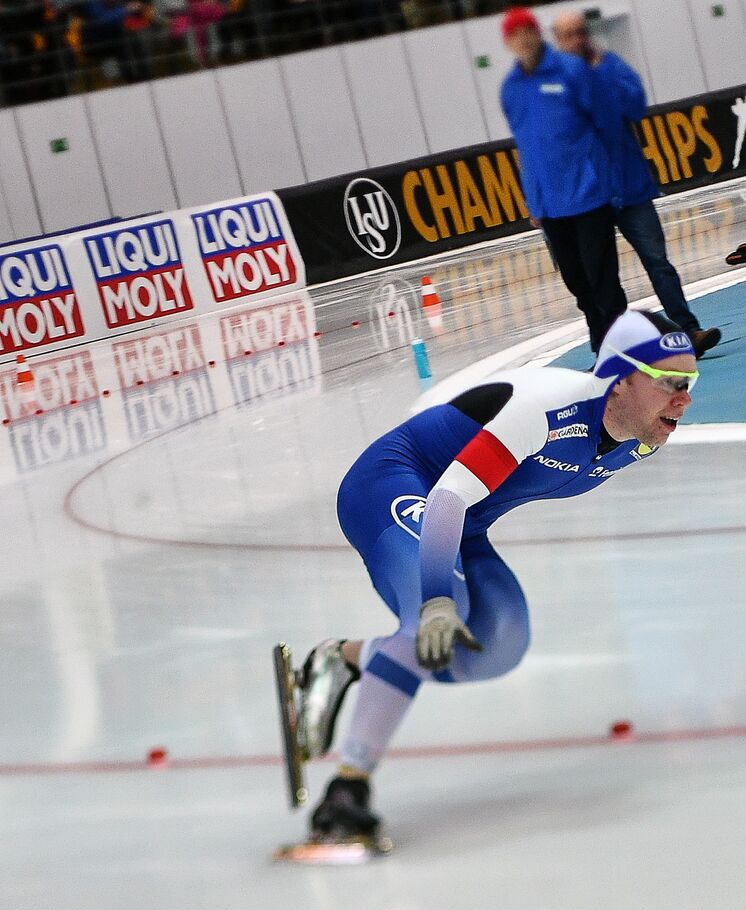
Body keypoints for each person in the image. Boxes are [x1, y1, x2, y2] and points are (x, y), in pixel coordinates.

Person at [292, 311, 699, 837]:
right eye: (669, 383)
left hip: (463, 518)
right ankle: (346, 789)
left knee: (498, 642)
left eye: (690, 383)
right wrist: (435, 599)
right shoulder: (547, 410)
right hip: (395, 486)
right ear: (620, 379)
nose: (683, 399)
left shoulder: (638, 440)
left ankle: (344, 660)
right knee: (440, 616)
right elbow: (447, 496)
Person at [551, 9, 722, 358]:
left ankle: (688, 330)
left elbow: (635, 107)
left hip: (629, 189)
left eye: (581, 32)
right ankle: (620, 346)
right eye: (569, 35)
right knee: (600, 281)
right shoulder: (554, 84)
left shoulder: (610, 67)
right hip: (588, 201)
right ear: (558, 41)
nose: (578, 40)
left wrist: (598, 75)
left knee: (657, 262)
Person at [499, 5, 628, 353]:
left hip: (589, 195)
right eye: (514, 35)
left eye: (527, 31)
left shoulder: (571, 70)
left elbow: (607, 123)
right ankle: (603, 347)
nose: (522, 40)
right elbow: (525, 148)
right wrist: (533, 201)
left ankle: (620, 347)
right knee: (576, 281)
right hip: (550, 205)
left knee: (601, 278)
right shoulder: (510, 89)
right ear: (508, 42)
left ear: (537, 33)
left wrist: (608, 178)